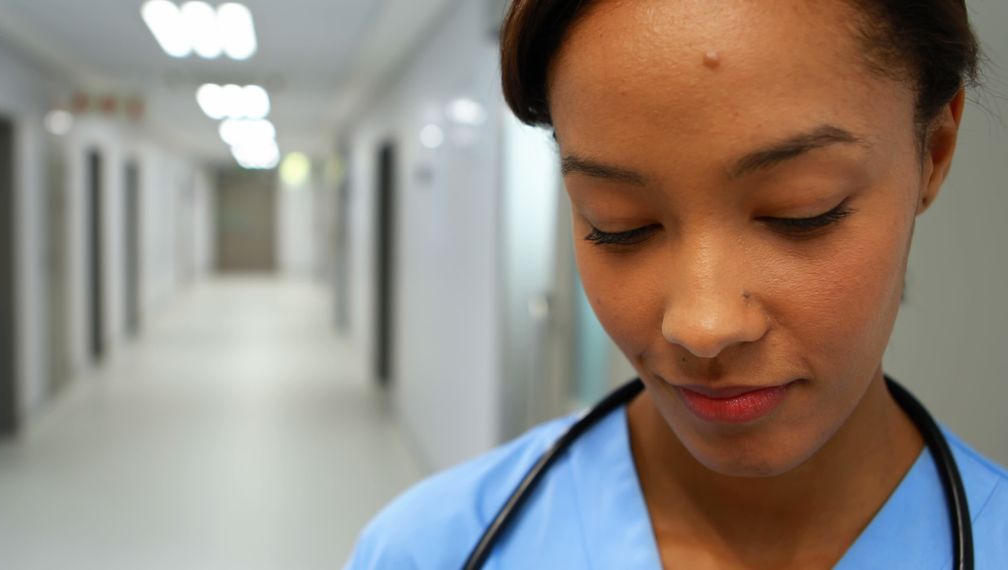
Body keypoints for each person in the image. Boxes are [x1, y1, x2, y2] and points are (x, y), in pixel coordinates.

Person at [346, 0, 1008, 567]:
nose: (704, 324)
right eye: (619, 224)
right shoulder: (435, 547)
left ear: (935, 150)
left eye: (798, 210)